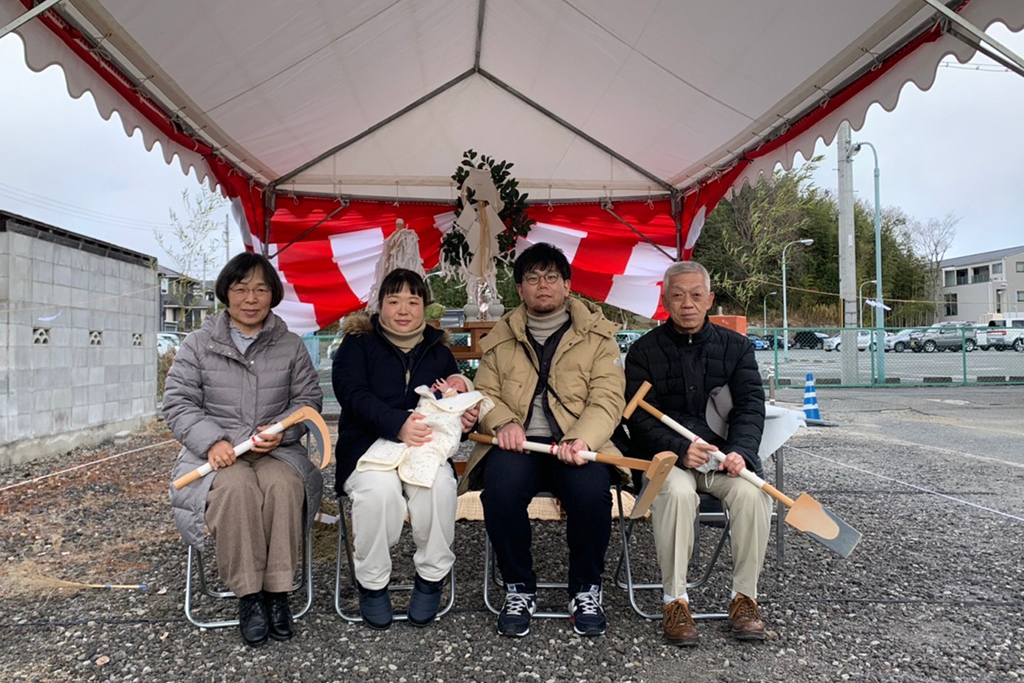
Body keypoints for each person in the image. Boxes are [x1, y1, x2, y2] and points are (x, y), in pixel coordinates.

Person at [460, 242, 626, 638]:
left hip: (577, 446)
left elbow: (608, 397)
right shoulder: (500, 339)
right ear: (520, 289)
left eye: (552, 277)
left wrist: (584, 440)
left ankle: (585, 588)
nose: (543, 285)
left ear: (567, 286)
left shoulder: (598, 337)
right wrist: (502, 424)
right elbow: (484, 392)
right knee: (499, 491)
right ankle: (518, 587)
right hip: (519, 445)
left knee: (591, 494)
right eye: (532, 278)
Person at [166, 252, 323, 648]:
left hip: (276, 451)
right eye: (240, 289)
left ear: (272, 295)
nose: (250, 298)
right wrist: (212, 440)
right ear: (226, 293)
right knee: (237, 491)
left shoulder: (289, 345)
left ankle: (278, 593)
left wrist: (283, 430)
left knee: (284, 488)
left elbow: (308, 399)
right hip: (216, 456)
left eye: (260, 289)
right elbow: (178, 402)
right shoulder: (199, 345)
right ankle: (249, 597)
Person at [624, 260, 771, 646]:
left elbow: (750, 406)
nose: (687, 303)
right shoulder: (643, 352)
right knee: (676, 491)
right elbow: (638, 418)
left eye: (695, 295)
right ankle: (675, 600)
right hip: (669, 458)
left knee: (753, 493)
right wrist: (678, 447)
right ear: (664, 300)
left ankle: (745, 598)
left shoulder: (737, 348)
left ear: (710, 299)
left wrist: (741, 451)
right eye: (677, 295)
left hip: (722, 457)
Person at [332, 269, 479, 629]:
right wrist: (395, 423)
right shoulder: (357, 343)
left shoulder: (438, 348)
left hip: (425, 445)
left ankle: (431, 577)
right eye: (393, 300)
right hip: (368, 443)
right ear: (379, 306)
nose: (403, 309)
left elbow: (451, 395)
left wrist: (464, 411)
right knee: (379, 494)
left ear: (424, 307)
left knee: (439, 488)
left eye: (413, 301)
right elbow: (352, 394)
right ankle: (373, 584)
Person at [357, 373, 493, 487]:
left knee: (439, 483)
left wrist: (468, 420)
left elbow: (458, 405)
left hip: (436, 431)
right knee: (380, 484)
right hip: (406, 422)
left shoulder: (459, 396)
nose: (450, 384)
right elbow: (427, 400)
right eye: (448, 381)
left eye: (457, 383)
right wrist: (432, 392)